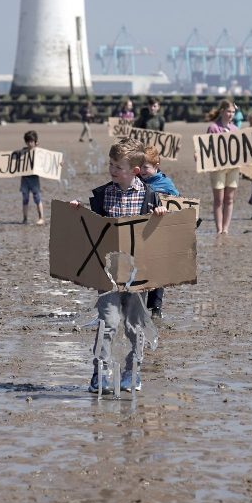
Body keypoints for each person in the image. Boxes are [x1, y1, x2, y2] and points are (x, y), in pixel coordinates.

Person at [70, 142, 167, 393]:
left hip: (138, 275)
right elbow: (93, 228)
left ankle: (132, 373)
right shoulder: (103, 194)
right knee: (108, 322)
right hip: (109, 274)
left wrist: (160, 214)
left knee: (135, 326)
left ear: (135, 170)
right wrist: (78, 210)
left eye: (118, 167)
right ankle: (99, 373)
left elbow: (158, 233)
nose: (112, 170)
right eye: (110, 165)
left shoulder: (149, 196)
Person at [137, 145, 178, 320]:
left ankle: (155, 307)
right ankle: (136, 304)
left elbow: (179, 204)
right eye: (140, 167)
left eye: (146, 167)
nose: (143, 171)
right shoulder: (135, 181)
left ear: (156, 165)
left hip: (159, 235)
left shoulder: (166, 184)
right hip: (140, 234)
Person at [205, 99, 241, 234]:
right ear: (222, 111)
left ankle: (226, 228)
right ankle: (219, 228)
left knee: (229, 199)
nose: (231, 114)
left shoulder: (236, 129)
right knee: (219, 200)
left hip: (233, 168)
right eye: (229, 111)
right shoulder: (213, 127)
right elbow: (206, 147)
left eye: (233, 112)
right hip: (217, 168)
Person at [18, 130, 45, 226]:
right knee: (25, 199)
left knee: (37, 198)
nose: (30, 143)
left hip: (34, 180)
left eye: (31, 141)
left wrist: (59, 164)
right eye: (28, 141)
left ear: (35, 142)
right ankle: (25, 218)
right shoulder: (23, 152)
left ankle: (41, 218)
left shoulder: (39, 152)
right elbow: (13, 162)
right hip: (24, 179)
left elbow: (48, 161)